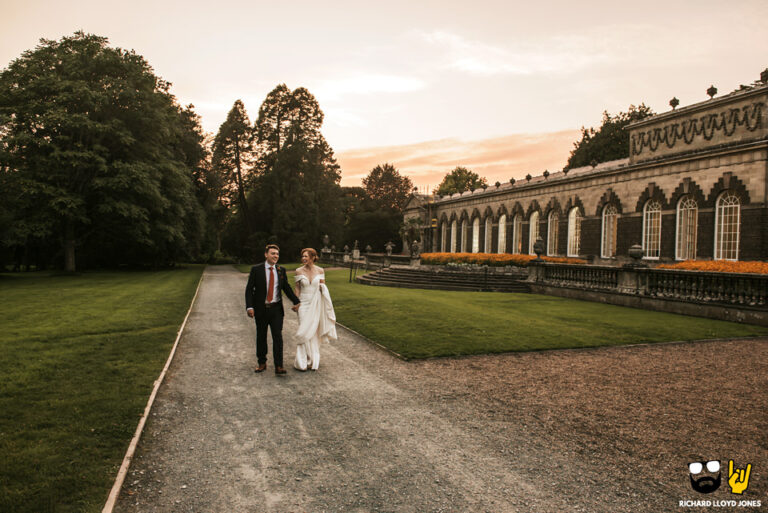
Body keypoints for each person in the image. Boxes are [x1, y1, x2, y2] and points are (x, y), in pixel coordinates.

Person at [245, 244, 300, 375]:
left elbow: (286, 287)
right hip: (261, 309)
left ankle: (279, 365)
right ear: (266, 254)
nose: (275, 256)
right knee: (261, 336)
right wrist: (249, 306)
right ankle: (262, 363)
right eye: (273, 253)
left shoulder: (281, 270)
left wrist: (297, 301)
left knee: (278, 337)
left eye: (277, 254)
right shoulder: (256, 269)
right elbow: (249, 290)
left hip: (276, 310)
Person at [293, 248, 337, 371]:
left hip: (316, 303)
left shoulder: (320, 270)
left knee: (313, 332)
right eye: (302, 256)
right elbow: (297, 288)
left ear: (313, 257)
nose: (303, 258)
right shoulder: (298, 271)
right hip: (303, 303)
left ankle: (312, 359)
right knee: (304, 329)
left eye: (306, 256)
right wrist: (296, 303)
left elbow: (323, 287)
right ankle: (302, 361)